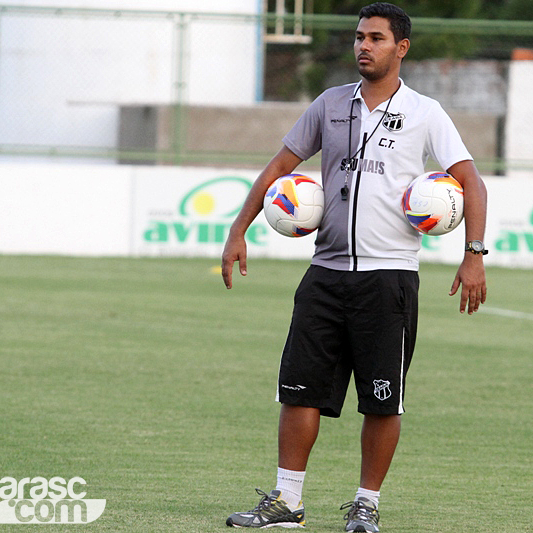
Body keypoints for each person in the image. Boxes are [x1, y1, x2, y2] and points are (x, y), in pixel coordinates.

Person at [221, 3, 488, 531]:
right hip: (324, 274)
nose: (363, 46)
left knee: (382, 402)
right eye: (359, 37)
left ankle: (366, 505)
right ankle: (286, 502)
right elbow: (280, 167)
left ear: (401, 48)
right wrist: (238, 229)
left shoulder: (426, 112)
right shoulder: (328, 104)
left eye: (376, 38)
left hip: (389, 278)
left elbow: (471, 182)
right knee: (299, 390)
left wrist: (473, 254)